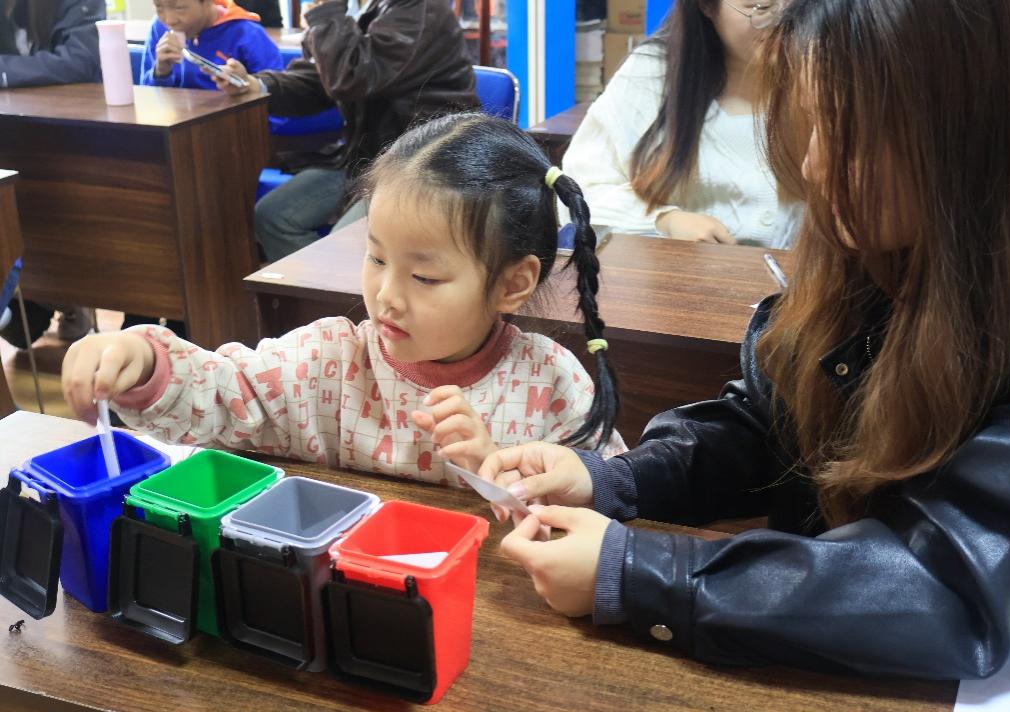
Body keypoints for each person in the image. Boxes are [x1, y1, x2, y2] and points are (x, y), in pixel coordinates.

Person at [481, 0, 1010, 680]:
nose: (816, 164)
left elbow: (953, 585)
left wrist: (641, 573)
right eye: (813, 122)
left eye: (853, 133)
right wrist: (611, 480)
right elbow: (767, 425)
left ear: (966, 129)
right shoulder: (870, 263)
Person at [61, 113, 626, 484]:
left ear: (511, 284)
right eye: (376, 258)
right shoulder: (330, 361)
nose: (386, 296)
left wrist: (494, 472)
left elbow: (606, 507)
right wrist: (144, 364)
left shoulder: (550, 386)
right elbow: (227, 392)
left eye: (424, 277)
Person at [211, 0, 480, 262]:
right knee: (273, 217)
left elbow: (351, 77)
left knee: (344, 246)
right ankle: (320, 288)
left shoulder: (420, 9)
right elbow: (320, 79)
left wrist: (327, 13)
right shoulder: (366, 8)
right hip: (365, 158)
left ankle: (342, 286)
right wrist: (257, 85)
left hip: (421, 164)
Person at [561, 0, 801, 248]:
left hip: (798, 271)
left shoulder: (821, 79)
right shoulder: (653, 75)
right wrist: (666, 220)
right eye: (760, 7)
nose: (783, 20)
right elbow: (577, 193)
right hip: (678, 268)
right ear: (707, 6)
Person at [0, 0, 105, 349]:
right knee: (20, 332)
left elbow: (80, 60)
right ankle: (49, 293)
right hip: (11, 136)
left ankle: (72, 292)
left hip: (74, 137)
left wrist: (4, 72)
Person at [140, 0, 281, 90]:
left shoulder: (246, 33)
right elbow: (147, 98)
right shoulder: (159, 28)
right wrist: (161, 72)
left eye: (179, 8)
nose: (169, 20)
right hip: (178, 124)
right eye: (159, 7)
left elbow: (279, 96)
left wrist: (245, 86)